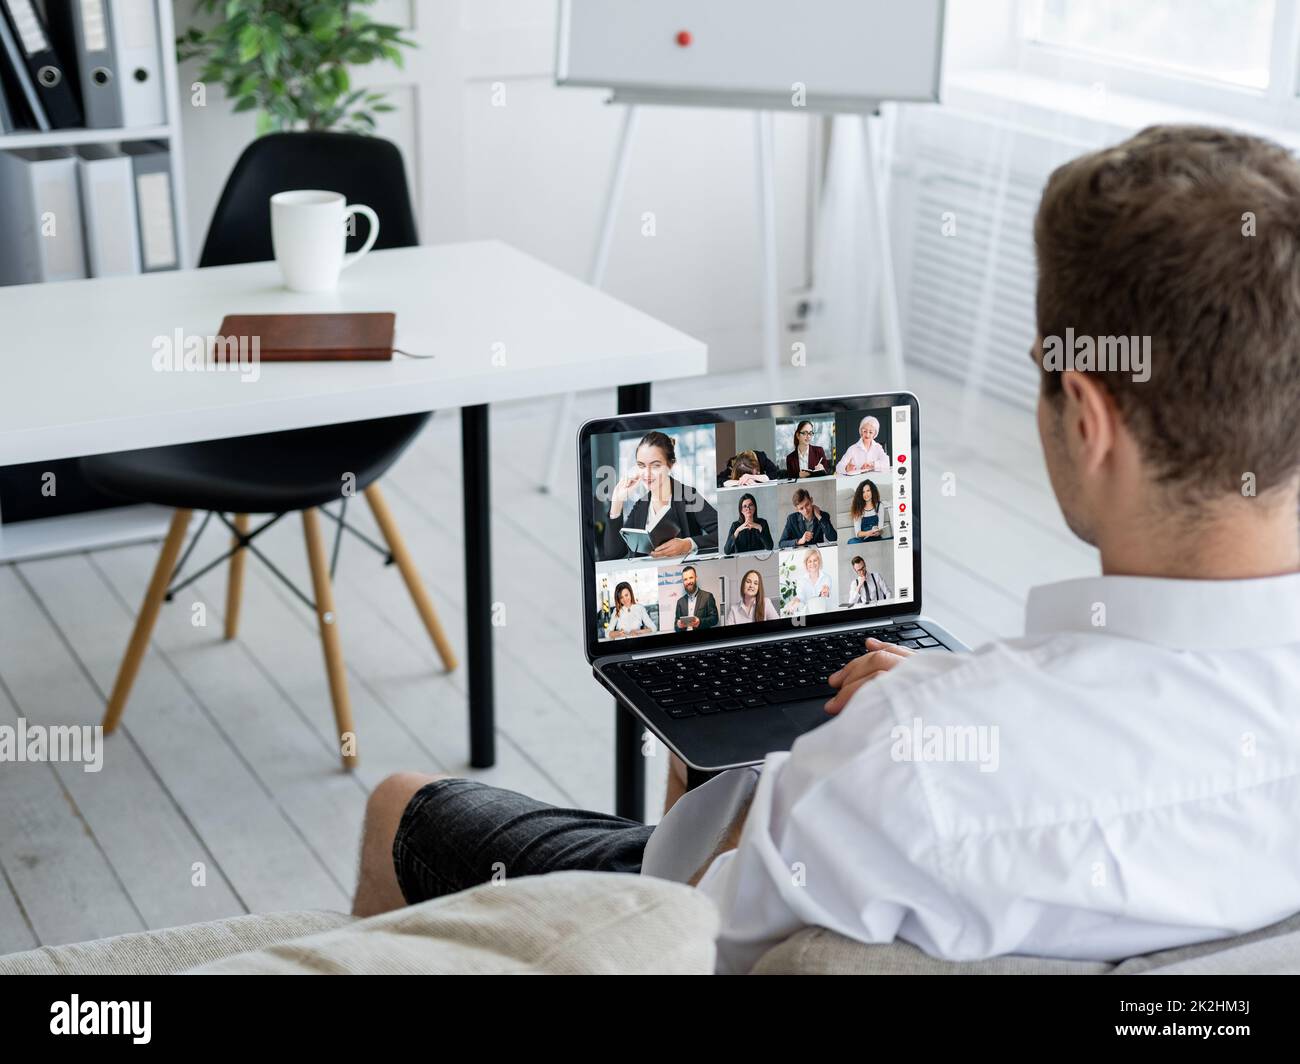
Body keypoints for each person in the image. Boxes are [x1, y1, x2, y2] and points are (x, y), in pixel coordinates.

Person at [352, 126, 1300, 976]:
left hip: (686, 899)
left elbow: (683, 938)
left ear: (1088, 416)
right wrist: (960, 697)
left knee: (401, 801)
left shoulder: (909, 768)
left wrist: (839, 750)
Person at [602, 430, 718, 561]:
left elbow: (724, 533)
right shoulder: (640, 506)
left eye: (656, 465)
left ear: (671, 464)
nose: (647, 473)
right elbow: (613, 553)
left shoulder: (689, 496)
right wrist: (617, 502)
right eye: (641, 465)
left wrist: (688, 544)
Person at [783, 547, 832, 615]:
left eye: (815, 560)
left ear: (819, 561)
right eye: (809, 561)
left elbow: (826, 590)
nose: (812, 564)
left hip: (825, 613)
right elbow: (800, 597)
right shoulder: (801, 581)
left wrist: (825, 592)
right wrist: (796, 601)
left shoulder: (826, 578)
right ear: (806, 564)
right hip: (808, 616)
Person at [672, 564, 719, 631]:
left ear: (696, 578)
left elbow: (715, 619)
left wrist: (700, 622)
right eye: (685, 579)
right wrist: (678, 625)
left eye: (691, 578)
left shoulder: (707, 597)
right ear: (683, 581)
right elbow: (676, 626)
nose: (688, 582)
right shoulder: (680, 602)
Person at [846, 479, 890, 543]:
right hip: (863, 540)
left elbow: (881, 528)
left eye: (868, 491)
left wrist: (878, 532)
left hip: (876, 539)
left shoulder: (879, 506)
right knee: (851, 542)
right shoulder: (858, 508)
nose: (866, 494)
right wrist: (867, 533)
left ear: (872, 491)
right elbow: (858, 533)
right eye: (863, 492)